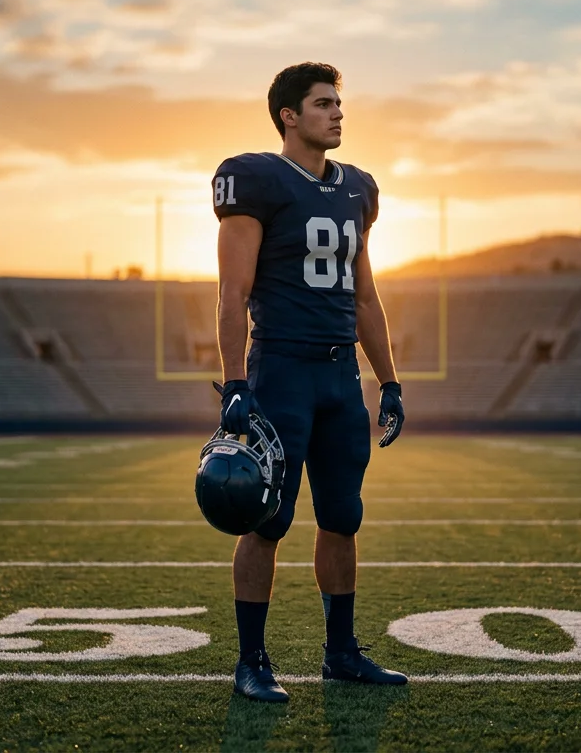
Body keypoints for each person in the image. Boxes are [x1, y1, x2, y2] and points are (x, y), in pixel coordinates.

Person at [213, 62, 408, 703]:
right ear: (289, 117)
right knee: (264, 520)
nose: (337, 113)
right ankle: (251, 661)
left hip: (338, 376)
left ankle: (341, 653)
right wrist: (235, 382)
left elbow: (367, 298)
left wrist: (391, 381)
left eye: (339, 104)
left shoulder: (359, 189)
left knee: (342, 518)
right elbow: (232, 292)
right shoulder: (258, 180)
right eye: (323, 103)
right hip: (282, 370)